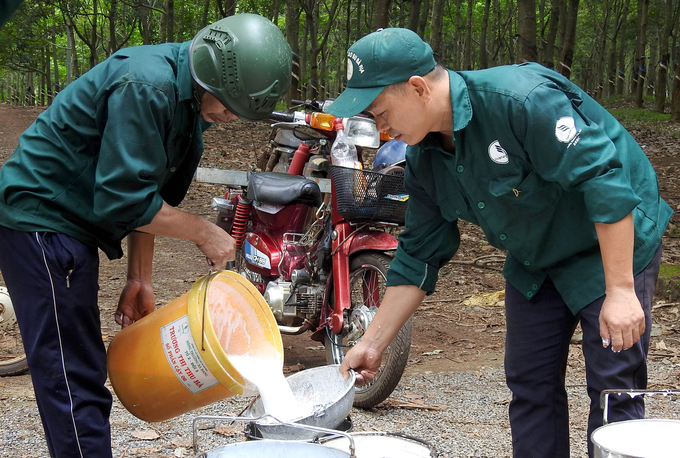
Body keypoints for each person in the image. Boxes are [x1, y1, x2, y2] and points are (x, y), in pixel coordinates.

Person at [328, 28, 672, 458]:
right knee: (529, 383)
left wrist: (621, 291)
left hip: (609, 245)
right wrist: (373, 343)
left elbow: (603, 181)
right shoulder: (424, 158)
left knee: (612, 388)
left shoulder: (520, 101)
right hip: (536, 256)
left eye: (379, 112)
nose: (380, 130)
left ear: (417, 88)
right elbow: (419, 251)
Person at [0, 13, 291, 458]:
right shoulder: (146, 86)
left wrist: (141, 279)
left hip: (71, 223)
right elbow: (122, 199)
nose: (231, 118)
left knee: (79, 367)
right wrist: (205, 233)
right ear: (210, 74)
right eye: (231, 106)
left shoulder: (190, 103)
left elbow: (151, 200)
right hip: (41, 219)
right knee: (71, 374)